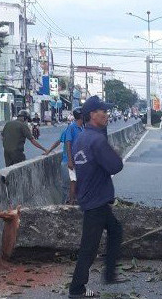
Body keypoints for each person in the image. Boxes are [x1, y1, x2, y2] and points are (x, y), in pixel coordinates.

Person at [69, 96, 125, 298]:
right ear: (93, 115)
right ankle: (76, 289)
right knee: (89, 247)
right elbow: (115, 166)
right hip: (97, 199)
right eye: (104, 111)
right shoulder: (97, 140)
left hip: (88, 194)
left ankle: (109, 273)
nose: (107, 115)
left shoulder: (81, 138)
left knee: (115, 229)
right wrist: (114, 153)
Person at [45, 108, 84, 204]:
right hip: (68, 161)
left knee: (75, 183)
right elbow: (67, 143)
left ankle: (72, 203)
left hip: (78, 161)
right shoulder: (71, 128)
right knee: (68, 185)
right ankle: (66, 205)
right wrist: (70, 161)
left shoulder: (82, 128)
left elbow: (59, 140)